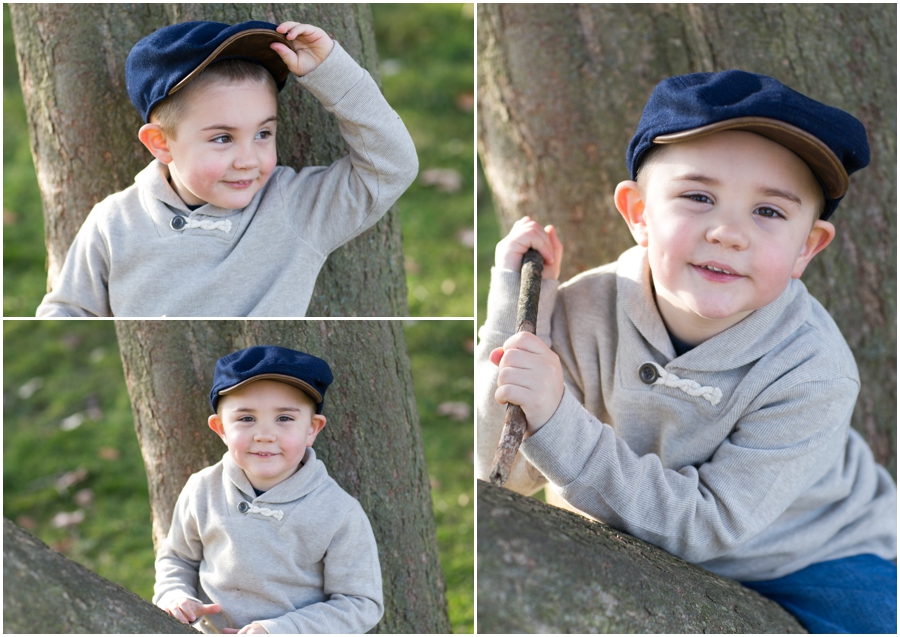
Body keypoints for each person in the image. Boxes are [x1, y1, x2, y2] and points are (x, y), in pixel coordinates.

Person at [476, 70, 896, 633]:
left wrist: (557, 422)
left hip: (815, 553)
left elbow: (710, 525)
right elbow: (495, 471)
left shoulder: (813, 369)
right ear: (639, 213)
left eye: (768, 212)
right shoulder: (584, 313)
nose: (728, 232)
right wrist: (516, 313)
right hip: (635, 535)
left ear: (807, 248)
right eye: (698, 197)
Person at [36, 19, 417, 317]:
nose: (248, 159)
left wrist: (332, 72)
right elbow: (68, 310)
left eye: (264, 133)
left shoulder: (297, 207)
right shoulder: (113, 222)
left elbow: (392, 166)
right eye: (222, 138)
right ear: (161, 143)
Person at [154, 345, 383, 634]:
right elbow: (177, 558)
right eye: (246, 418)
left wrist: (278, 630)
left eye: (284, 418)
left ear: (312, 429)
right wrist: (174, 596)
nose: (264, 435)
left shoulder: (338, 512)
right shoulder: (203, 488)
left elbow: (361, 603)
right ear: (221, 428)